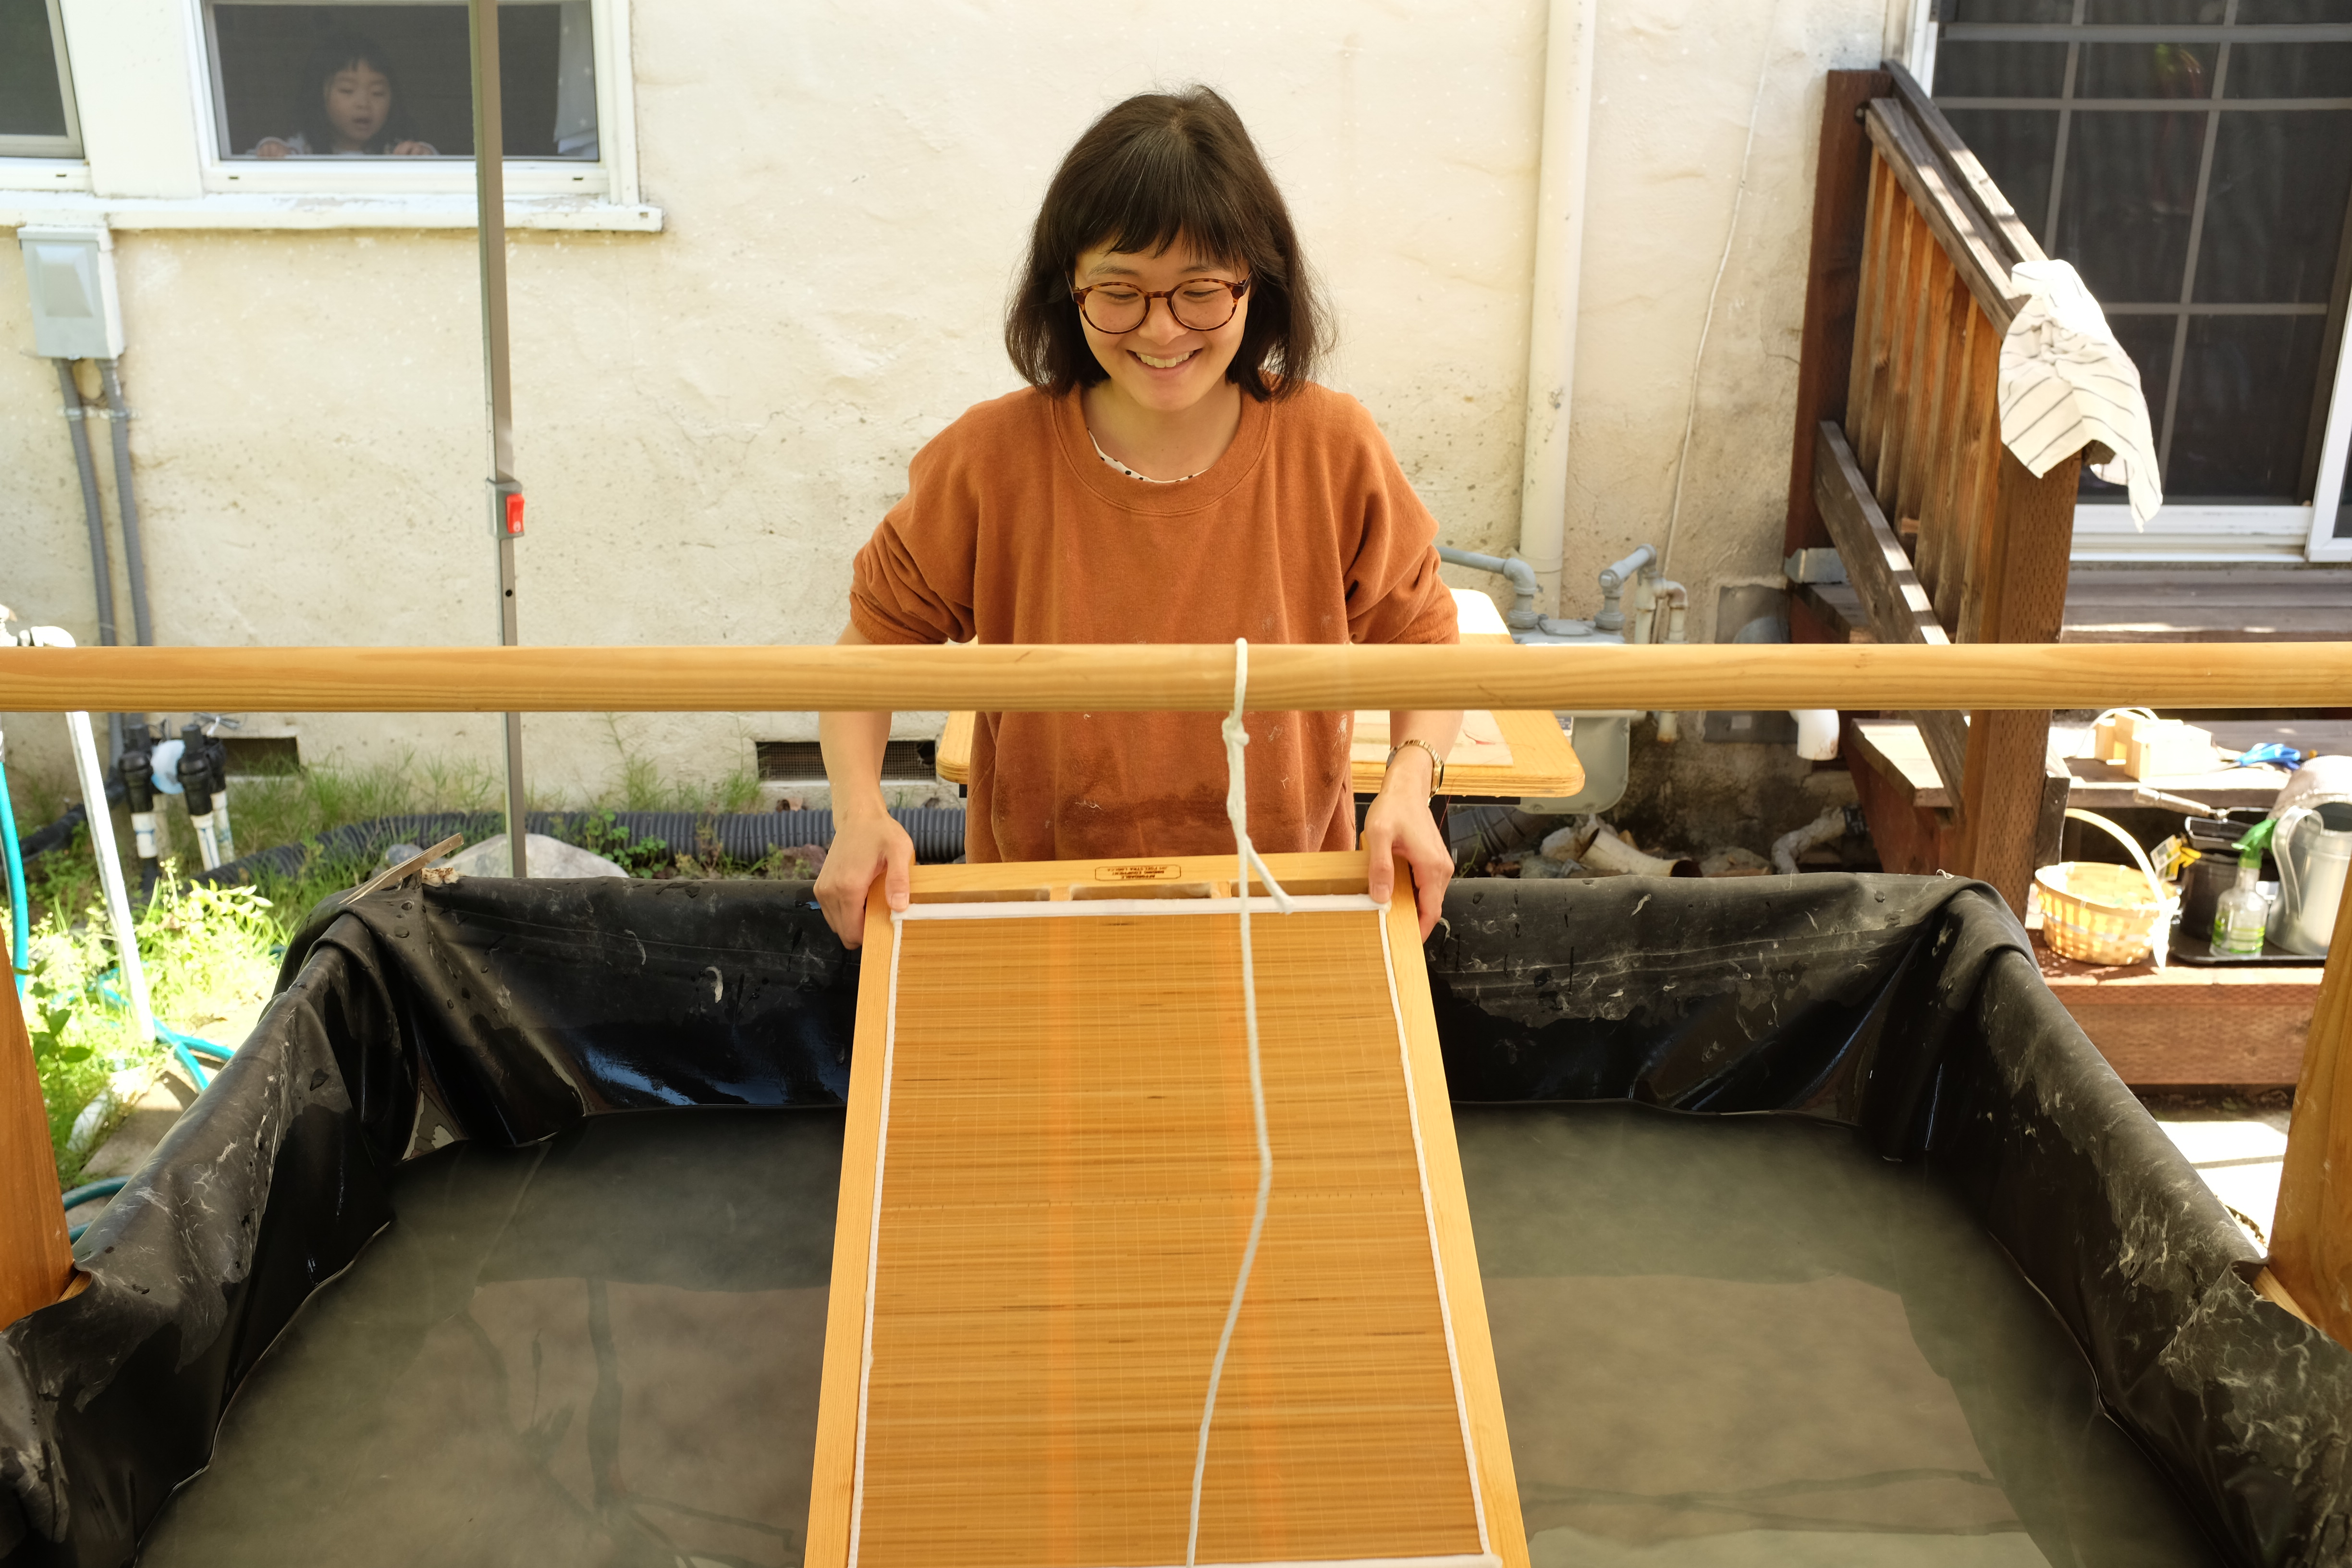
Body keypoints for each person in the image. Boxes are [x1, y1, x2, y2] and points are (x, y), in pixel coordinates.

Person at [813, 86, 1461, 947]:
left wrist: (1409, 788)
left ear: (1254, 284)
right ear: (1067, 290)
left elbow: (1424, 644)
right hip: (1040, 912)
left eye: (1199, 292)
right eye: (1119, 292)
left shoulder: (1331, 448)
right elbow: (871, 653)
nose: (1161, 332)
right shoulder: (989, 460)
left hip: (1284, 905)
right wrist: (859, 814)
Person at [250, 33, 435, 158]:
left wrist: (423, 154)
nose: (364, 104)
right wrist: (271, 148)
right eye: (347, 90)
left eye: (377, 93)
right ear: (318, 97)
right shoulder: (304, 150)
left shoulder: (396, 152)